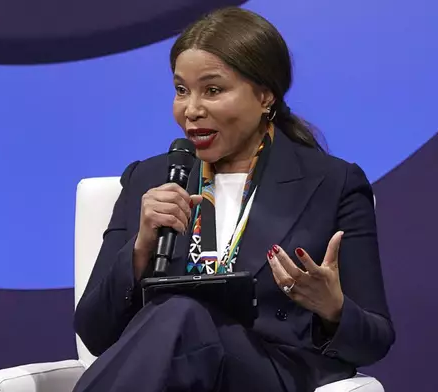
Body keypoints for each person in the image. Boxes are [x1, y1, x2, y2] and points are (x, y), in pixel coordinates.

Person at [72, 7, 395, 392]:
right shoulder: (149, 179)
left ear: (264, 95)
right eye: (180, 90)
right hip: (168, 375)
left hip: (271, 372)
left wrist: (332, 308)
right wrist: (140, 248)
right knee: (177, 314)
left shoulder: (333, 182)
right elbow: (93, 333)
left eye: (212, 90)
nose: (191, 110)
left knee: (182, 312)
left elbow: (375, 339)